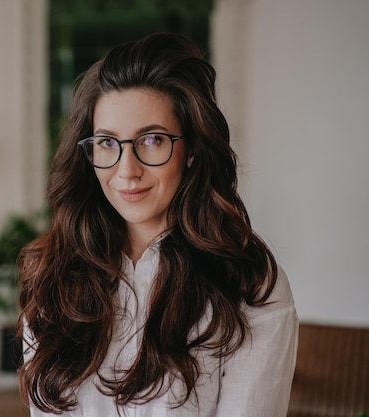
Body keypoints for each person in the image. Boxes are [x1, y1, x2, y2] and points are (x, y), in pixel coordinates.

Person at [17, 32, 298, 417]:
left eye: (151, 139)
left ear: (193, 151)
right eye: (107, 143)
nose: (126, 171)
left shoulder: (250, 283)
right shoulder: (51, 275)